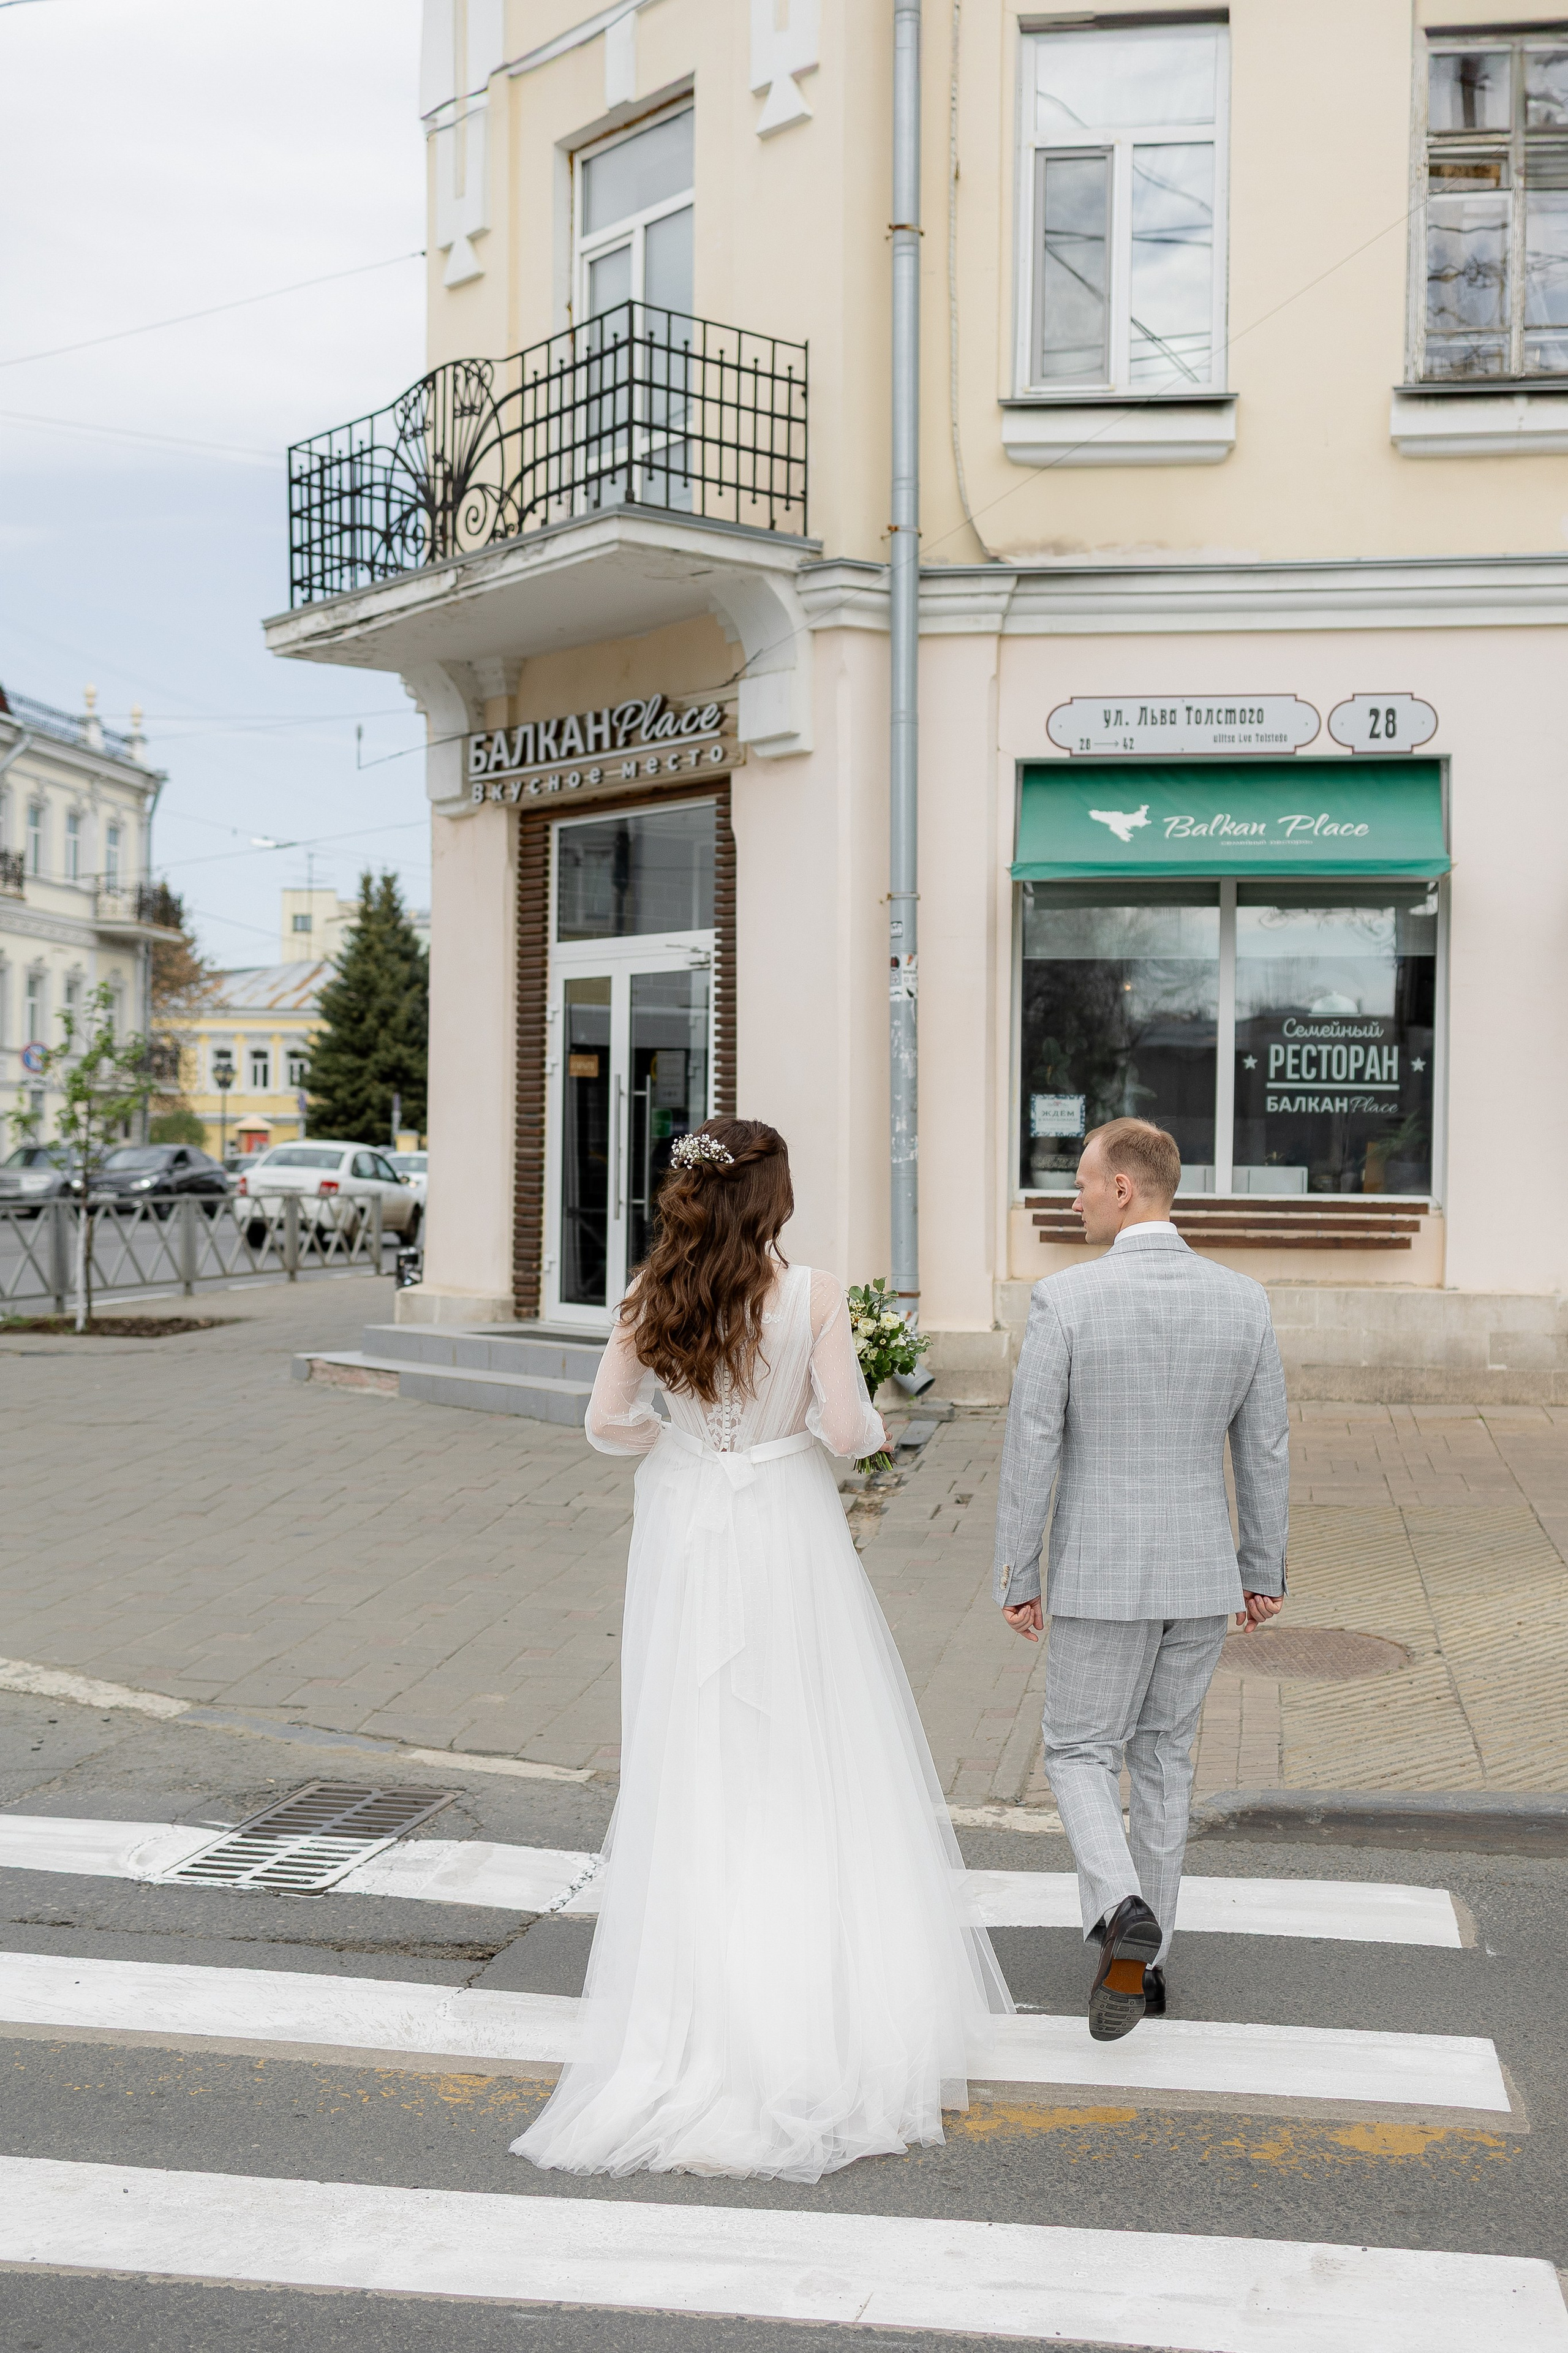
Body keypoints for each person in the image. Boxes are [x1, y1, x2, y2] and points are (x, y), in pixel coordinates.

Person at [513, 1117, 1011, 2182]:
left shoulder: (652, 1293)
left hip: (689, 1520)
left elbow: (606, 1423)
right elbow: (846, 1434)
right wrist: (866, 1420)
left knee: (693, 1740)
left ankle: (692, 2001)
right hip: (785, 1520)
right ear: (772, 1196)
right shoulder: (814, 1292)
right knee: (805, 1740)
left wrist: (683, 1440)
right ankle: (813, 1994)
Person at [993, 1117, 1288, 2042]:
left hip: (1100, 1572)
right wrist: (1262, 1567)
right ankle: (1145, 1971)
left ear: (1126, 1187)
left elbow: (1030, 1444)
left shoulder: (1066, 1300)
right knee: (1164, 1759)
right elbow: (1265, 1446)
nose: (1071, 1196)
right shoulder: (1243, 1301)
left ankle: (1122, 1910)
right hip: (1201, 1573)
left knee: (1080, 1751)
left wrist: (1018, 1569)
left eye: (1082, 1180)